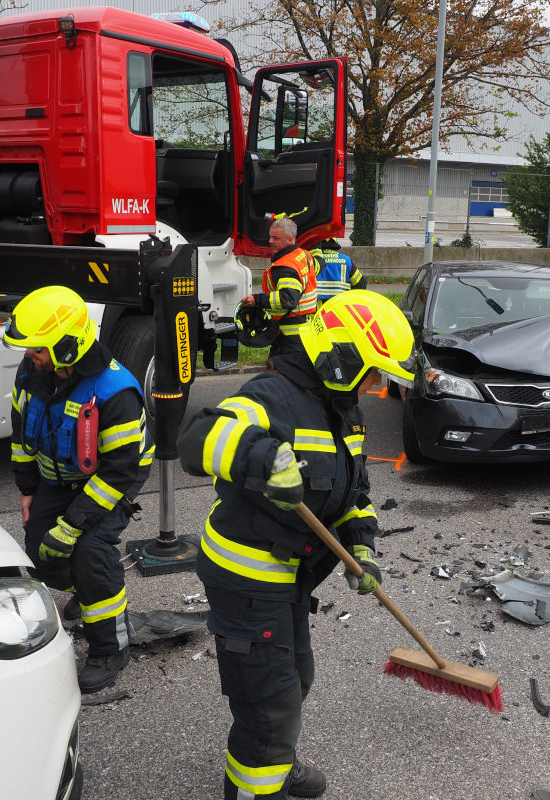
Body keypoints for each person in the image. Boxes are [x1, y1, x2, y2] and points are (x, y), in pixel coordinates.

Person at [177, 290, 416, 800]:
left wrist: (363, 549)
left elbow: (355, 496)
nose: (377, 386)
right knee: (269, 704)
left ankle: (275, 761)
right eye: (373, 372)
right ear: (343, 358)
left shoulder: (342, 411)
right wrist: (264, 457)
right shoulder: (269, 396)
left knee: (294, 679)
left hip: (289, 579)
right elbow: (195, 442)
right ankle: (257, 782)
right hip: (246, 580)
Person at [4, 286, 154, 693]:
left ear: (67, 348)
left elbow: (118, 472)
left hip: (111, 479)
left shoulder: (115, 392)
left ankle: (110, 646)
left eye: (37, 350)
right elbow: (21, 433)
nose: (29, 357)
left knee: (87, 551)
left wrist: (72, 526)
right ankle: (92, 593)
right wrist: (27, 489)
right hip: (58, 474)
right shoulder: (34, 372)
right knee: (39, 549)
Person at [239, 217, 317, 355]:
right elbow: (316, 267)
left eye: (275, 238)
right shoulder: (303, 255)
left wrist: (256, 300)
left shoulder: (285, 267)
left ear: (290, 239)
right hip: (307, 330)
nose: (270, 241)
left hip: (289, 335)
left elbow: (287, 299)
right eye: (270, 237)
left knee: (280, 372)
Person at [309, 239, 366, 303]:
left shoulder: (313, 260)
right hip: (340, 307)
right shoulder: (346, 260)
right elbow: (361, 284)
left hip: (318, 309)